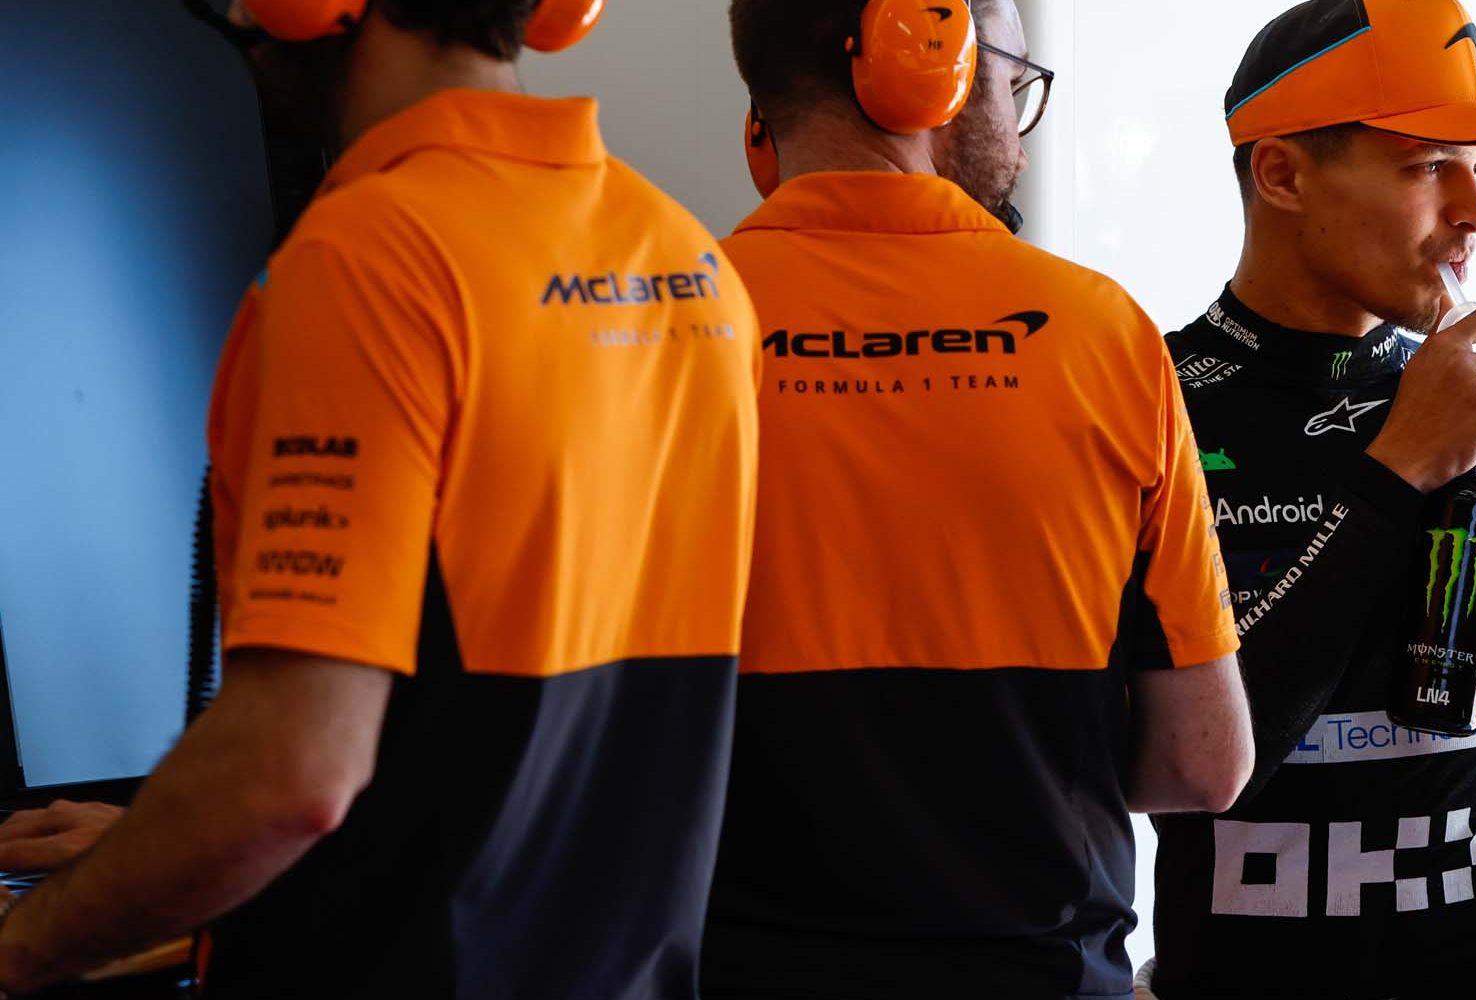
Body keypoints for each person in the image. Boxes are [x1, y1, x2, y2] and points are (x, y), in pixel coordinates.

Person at [0, 2, 760, 996]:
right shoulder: (691, 265)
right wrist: (164, 841)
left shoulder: (370, 258)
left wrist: (23, 946)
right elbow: (496, 756)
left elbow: (292, 776)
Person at [706, 2, 1254, 997]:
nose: (1021, 125)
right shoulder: (1101, 337)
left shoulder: (662, 330)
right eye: (1011, 75)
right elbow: (1205, 761)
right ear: (924, 55)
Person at [1145, 3, 1476, 999]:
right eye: (1430, 165)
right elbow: (1186, 769)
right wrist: (1394, 478)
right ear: (1283, 174)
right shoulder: (1152, 405)